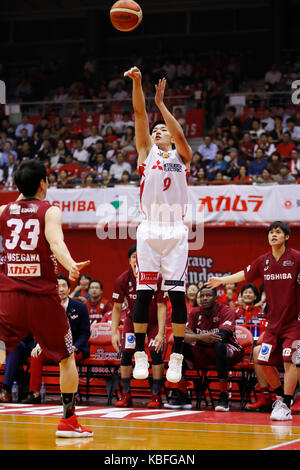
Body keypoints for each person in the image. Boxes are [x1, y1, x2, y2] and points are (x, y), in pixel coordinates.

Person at [0, 160, 93, 437]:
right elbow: (56, 242)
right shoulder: (49, 211)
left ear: (17, 185)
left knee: (4, 348)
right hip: (42, 298)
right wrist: (70, 264)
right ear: (44, 184)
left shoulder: (3, 211)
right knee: (66, 358)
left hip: (9, 296)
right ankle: (68, 421)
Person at [124, 66, 192, 384]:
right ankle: (139, 352)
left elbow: (179, 136)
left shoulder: (182, 156)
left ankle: (176, 354)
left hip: (176, 229)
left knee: (177, 297)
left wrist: (163, 106)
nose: (157, 132)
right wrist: (138, 83)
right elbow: (140, 114)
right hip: (150, 228)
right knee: (144, 294)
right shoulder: (145, 153)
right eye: (156, 130)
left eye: (161, 130)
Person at [206, 221, 300, 421]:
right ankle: (281, 397)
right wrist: (222, 281)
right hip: (273, 324)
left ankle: (286, 404)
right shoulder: (263, 261)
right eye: (271, 233)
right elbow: (244, 274)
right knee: (263, 361)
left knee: (289, 360)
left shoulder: (296, 258)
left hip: (293, 323)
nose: (273, 236)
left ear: (287, 237)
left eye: (278, 233)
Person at [165, 287, 243, 411]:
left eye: (208, 295)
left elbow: (223, 335)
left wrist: (195, 336)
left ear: (216, 298)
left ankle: (223, 397)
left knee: (219, 345)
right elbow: (182, 335)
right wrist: (201, 337)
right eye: (202, 296)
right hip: (204, 351)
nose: (205, 298)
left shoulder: (226, 310)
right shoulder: (194, 313)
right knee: (179, 345)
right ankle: (183, 395)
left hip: (229, 350)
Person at [111, 245, 167, 408]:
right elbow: (116, 307)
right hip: (132, 321)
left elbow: (162, 306)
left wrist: (161, 333)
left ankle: (156, 395)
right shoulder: (122, 279)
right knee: (127, 355)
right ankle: (126, 394)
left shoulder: (157, 279)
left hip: (154, 322)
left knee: (156, 355)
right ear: (130, 260)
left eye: (140, 256)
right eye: (134, 256)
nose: (137, 259)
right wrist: (114, 332)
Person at [22, 274, 91, 404]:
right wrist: (38, 344)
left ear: (69, 289)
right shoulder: (46, 307)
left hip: (75, 348)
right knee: (36, 355)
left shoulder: (80, 307)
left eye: (64, 286)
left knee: (67, 358)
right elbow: (39, 331)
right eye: (58, 286)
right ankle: (35, 393)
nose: (61, 289)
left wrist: (75, 346)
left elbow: (85, 333)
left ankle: (67, 396)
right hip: (52, 348)